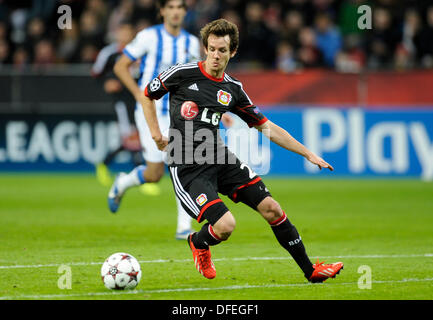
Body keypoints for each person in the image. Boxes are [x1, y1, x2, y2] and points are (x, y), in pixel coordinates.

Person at [137, 18, 344, 283]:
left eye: (222, 50)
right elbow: (147, 94)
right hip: (187, 166)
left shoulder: (232, 89)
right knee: (225, 227)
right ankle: (199, 242)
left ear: (232, 52)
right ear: (205, 48)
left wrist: (308, 153)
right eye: (211, 48)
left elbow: (266, 127)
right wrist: (155, 133)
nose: (215, 55)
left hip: (220, 158)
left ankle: (311, 271)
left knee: (272, 208)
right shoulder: (182, 72)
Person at [109, 0, 201, 240]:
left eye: (180, 7)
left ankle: (183, 227)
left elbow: (197, 78)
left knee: (183, 164)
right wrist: (139, 95)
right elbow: (121, 66)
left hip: (179, 112)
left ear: (184, 12)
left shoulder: (191, 42)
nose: (175, 12)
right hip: (150, 111)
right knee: (154, 174)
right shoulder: (148, 37)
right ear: (162, 11)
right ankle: (123, 182)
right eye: (170, 7)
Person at [91, 22, 145, 187]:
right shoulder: (109, 53)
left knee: (136, 137)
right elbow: (96, 73)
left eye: (128, 32)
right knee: (130, 136)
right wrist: (108, 82)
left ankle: (104, 163)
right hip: (121, 100)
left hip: (138, 99)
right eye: (122, 32)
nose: (125, 35)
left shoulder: (140, 51)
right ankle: (140, 174)